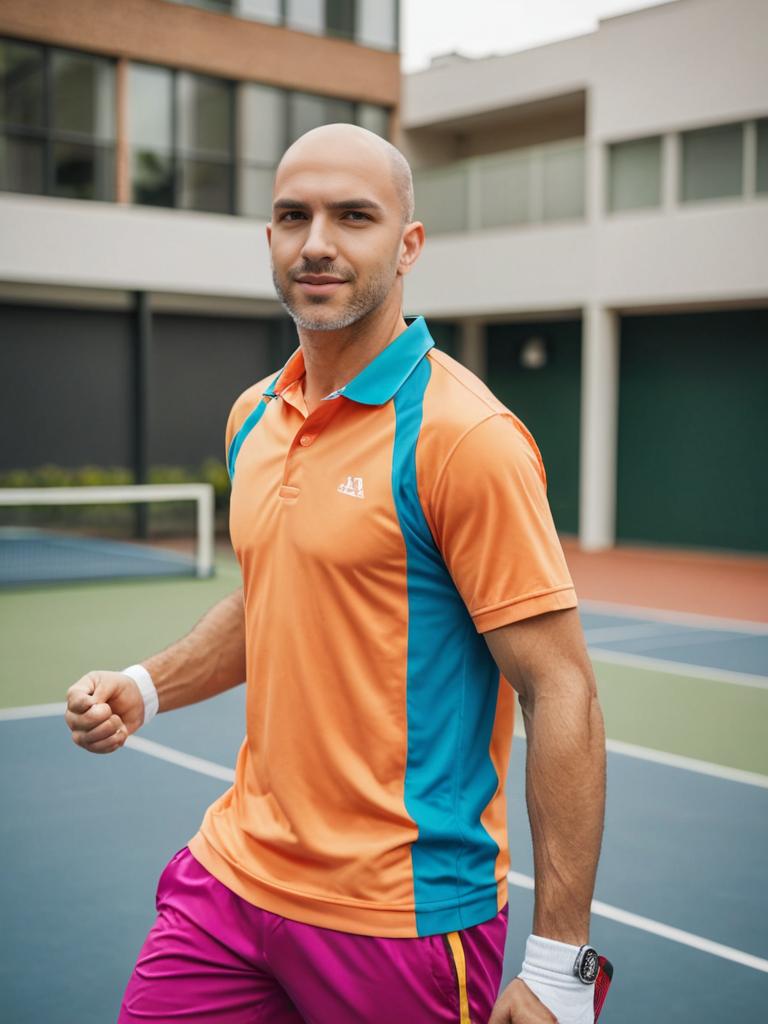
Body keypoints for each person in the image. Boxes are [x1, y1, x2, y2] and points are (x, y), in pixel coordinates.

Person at [65, 124, 606, 1024]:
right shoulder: (254, 416)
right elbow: (274, 594)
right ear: (270, 240)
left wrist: (559, 964)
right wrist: (145, 686)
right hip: (233, 881)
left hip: (399, 919)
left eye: (353, 216)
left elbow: (562, 691)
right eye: (293, 216)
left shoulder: (464, 438)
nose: (317, 241)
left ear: (408, 245)